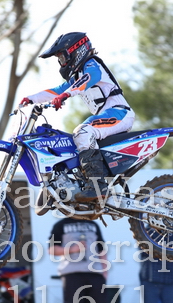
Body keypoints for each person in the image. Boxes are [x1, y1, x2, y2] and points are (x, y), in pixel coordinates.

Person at [19, 32, 135, 202]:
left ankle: (97, 186)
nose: (62, 62)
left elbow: (89, 78)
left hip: (119, 113)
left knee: (82, 132)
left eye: (63, 56)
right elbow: (57, 91)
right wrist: (31, 99)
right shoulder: (77, 76)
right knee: (71, 141)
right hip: (107, 115)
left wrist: (66, 95)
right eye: (59, 59)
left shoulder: (92, 64)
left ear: (77, 51)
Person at [48, 216, 109, 303]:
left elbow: (101, 249)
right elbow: (51, 250)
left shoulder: (93, 224)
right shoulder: (61, 224)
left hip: (94, 272)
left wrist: (105, 271)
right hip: (71, 272)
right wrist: (73, 249)